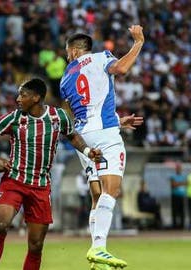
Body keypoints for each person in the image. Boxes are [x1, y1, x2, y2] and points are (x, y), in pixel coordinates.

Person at [0, 78, 102, 270]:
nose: (18, 98)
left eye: (23, 95)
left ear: (36, 98)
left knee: (36, 245)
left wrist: (87, 151)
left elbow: (73, 136)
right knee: (2, 224)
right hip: (14, 180)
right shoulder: (14, 118)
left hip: (40, 185)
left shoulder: (58, 116)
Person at [59, 25, 144, 268]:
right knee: (112, 190)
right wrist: (138, 42)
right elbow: (123, 68)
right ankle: (99, 248)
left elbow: (80, 113)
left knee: (97, 195)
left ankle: (97, 258)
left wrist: (118, 119)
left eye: (67, 53)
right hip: (106, 136)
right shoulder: (101, 57)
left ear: (74, 52)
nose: (68, 57)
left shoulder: (65, 77)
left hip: (83, 139)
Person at [170, 162, 186, 229]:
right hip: (175, 196)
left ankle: (182, 225)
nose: (179, 169)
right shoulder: (173, 176)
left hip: (181, 195)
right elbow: (173, 185)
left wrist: (178, 184)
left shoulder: (183, 176)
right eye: (177, 168)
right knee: (175, 211)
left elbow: (186, 183)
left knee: (182, 211)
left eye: (180, 168)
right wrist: (181, 183)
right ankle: (175, 225)